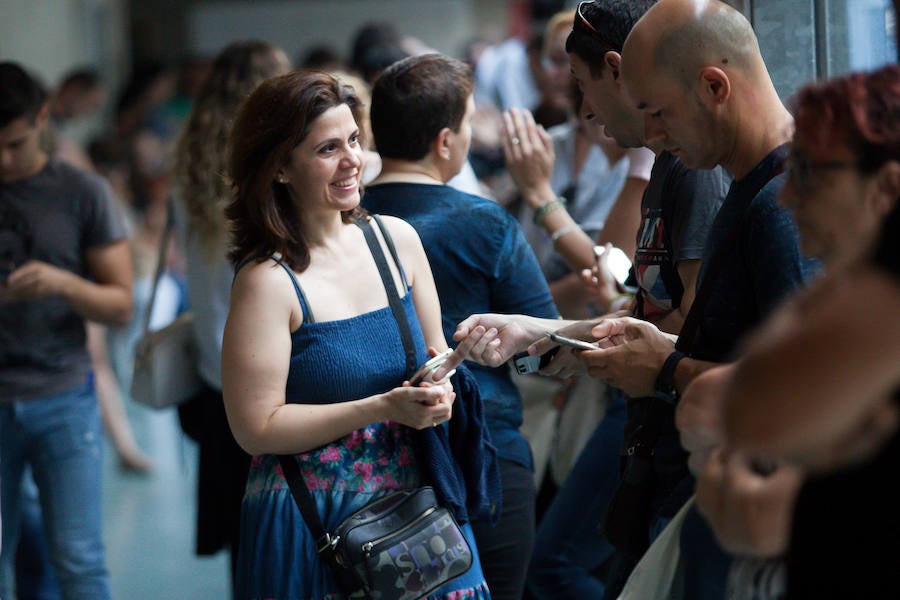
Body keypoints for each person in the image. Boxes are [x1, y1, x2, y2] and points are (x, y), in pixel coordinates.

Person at [552, 0, 814, 596]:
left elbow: (794, 397)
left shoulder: (780, 208)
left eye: (658, 113)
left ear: (714, 86)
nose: (650, 136)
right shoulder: (754, 192)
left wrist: (667, 369)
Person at [221, 69, 493, 599]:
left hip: (417, 509)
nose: (352, 160)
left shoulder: (397, 242)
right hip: (315, 518)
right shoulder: (267, 283)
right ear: (279, 166)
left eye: (353, 140)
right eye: (328, 149)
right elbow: (255, 427)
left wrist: (443, 384)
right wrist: (382, 407)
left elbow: (432, 358)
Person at [687, 63, 900, 599]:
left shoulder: (883, 300)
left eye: (809, 174)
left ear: (887, 187)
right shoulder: (859, 295)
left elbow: (752, 410)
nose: (787, 197)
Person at [362, 53, 558, 600]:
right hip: (482, 452)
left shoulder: (342, 225)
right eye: (470, 123)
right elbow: (543, 344)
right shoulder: (482, 222)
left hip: (373, 458)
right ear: (446, 141)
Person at [0, 61, 133, 600]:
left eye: (12, 143)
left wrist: (62, 284)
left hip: (62, 398)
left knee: (78, 560)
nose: (1, 159)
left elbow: (120, 305)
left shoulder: (81, 191)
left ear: (42, 117)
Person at [171, 40, 291, 595]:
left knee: (241, 531)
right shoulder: (267, 168)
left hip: (210, 368)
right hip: (270, 364)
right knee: (283, 521)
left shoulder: (189, 162)